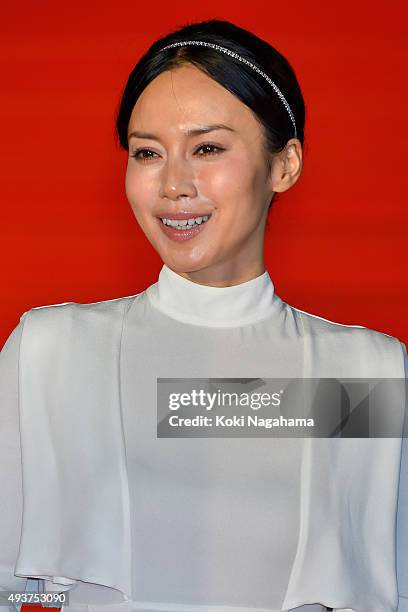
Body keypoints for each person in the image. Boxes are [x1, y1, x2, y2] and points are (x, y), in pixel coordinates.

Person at [0, 18, 407, 612]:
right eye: (147, 153)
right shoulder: (51, 353)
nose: (172, 185)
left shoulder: (363, 371)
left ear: (284, 165)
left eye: (208, 148)